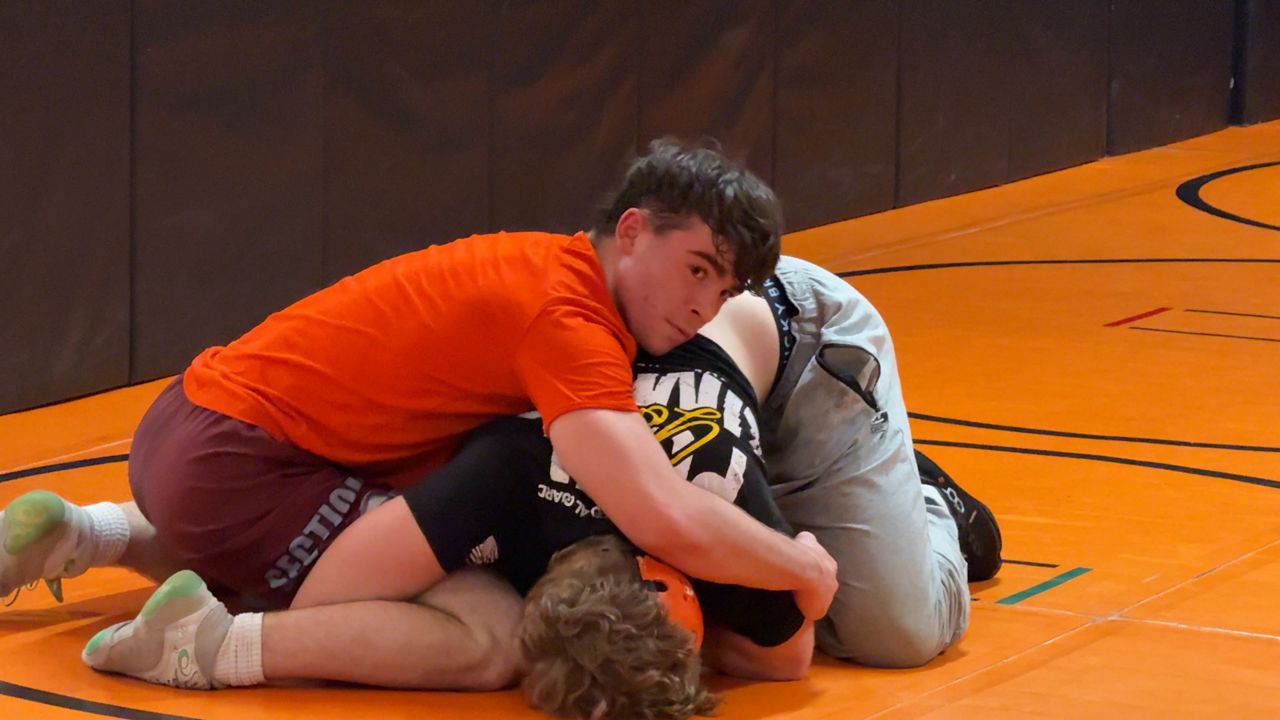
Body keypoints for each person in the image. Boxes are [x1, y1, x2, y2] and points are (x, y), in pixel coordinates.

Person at [81, 320, 816, 702]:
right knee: (485, 641)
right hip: (789, 332)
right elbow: (329, 588)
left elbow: (786, 648)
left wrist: (797, 572)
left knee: (378, 541)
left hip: (221, 424)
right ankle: (208, 644)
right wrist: (802, 565)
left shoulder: (521, 471)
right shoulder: (701, 496)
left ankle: (102, 531)